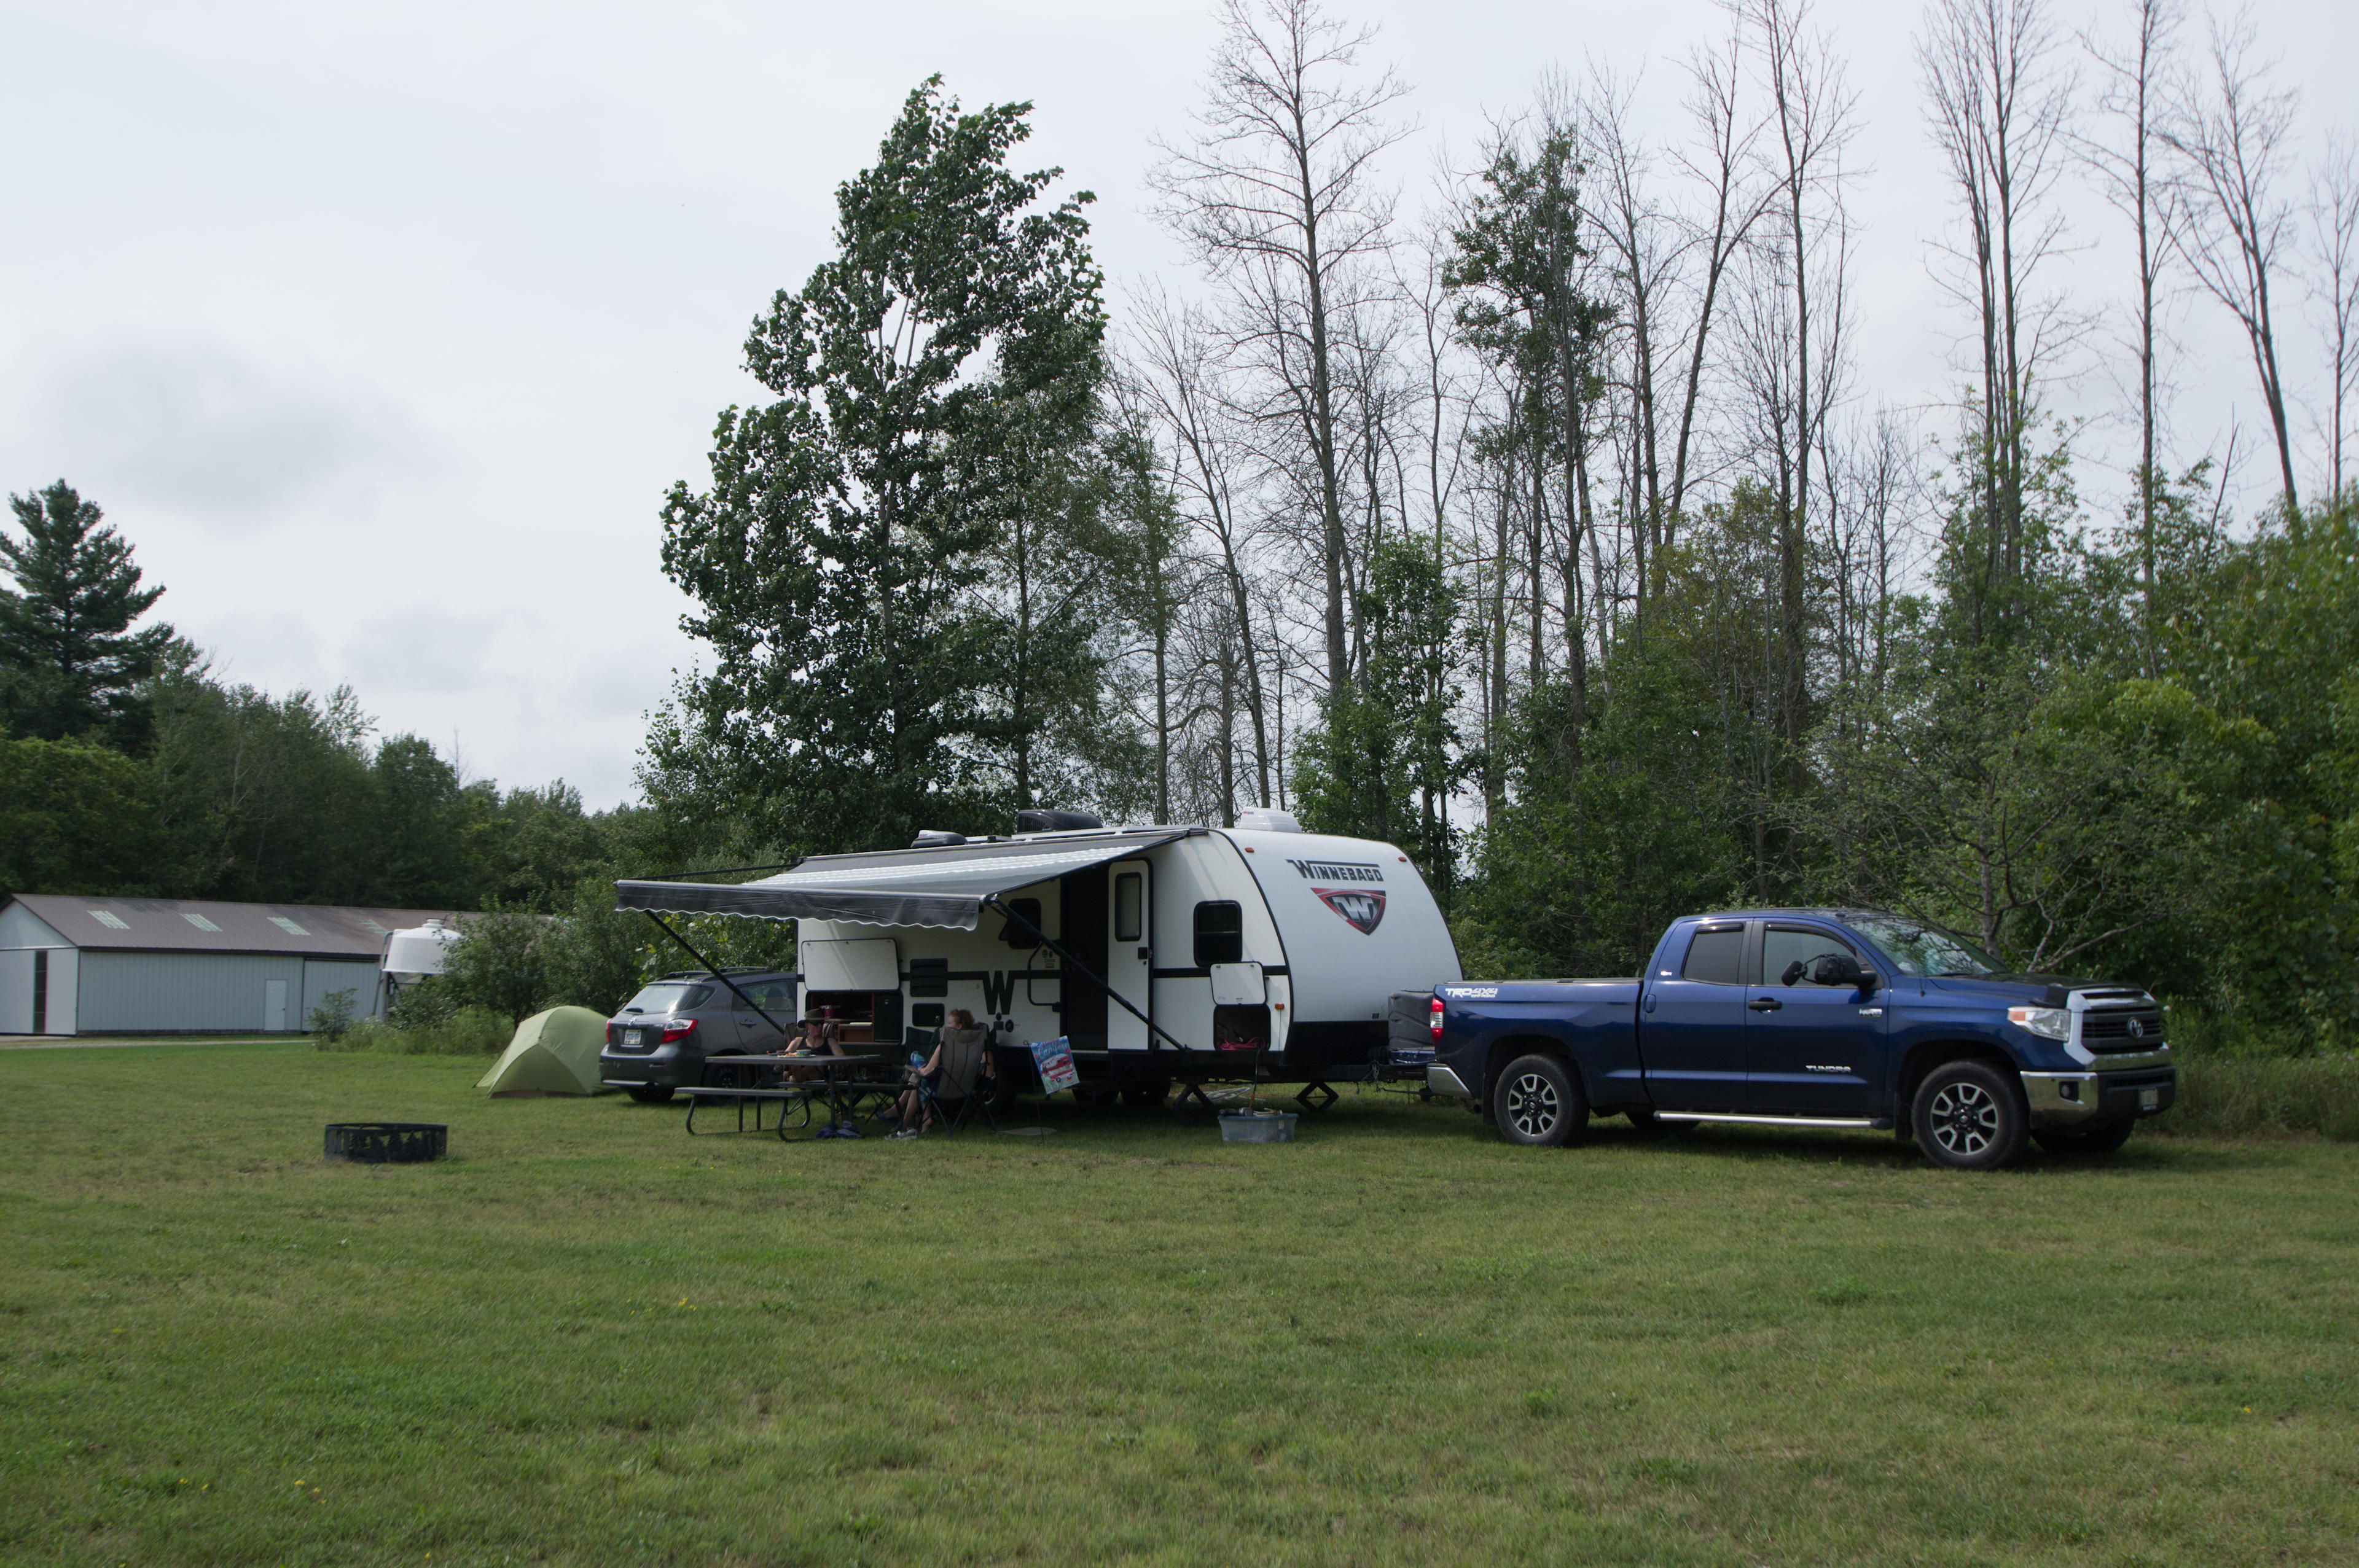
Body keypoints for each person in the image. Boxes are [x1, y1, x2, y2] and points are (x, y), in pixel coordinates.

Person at [888, 1008, 992, 1138]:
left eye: (949, 1024)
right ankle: (913, 1120)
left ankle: (913, 1119)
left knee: (916, 1065)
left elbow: (927, 1071)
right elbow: (987, 1070)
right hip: (966, 1089)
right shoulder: (975, 1048)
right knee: (917, 1079)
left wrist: (917, 1070)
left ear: (959, 1027)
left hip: (942, 1089)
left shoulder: (946, 1046)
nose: (947, 1026)